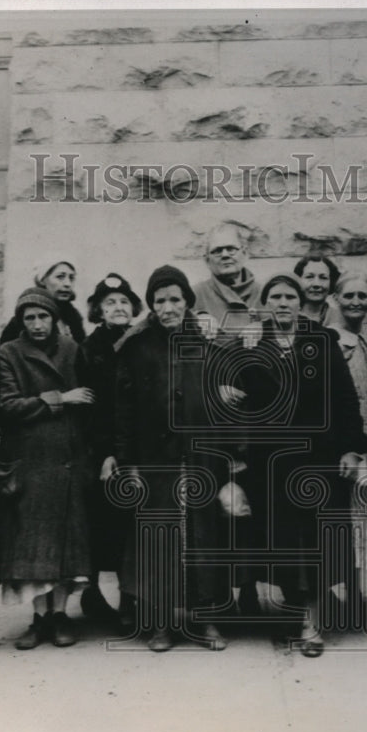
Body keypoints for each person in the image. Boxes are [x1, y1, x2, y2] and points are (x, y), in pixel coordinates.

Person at [231, 274, 367, 656]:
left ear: (300, 301)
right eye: (274, 296)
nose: (282, 302)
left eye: (289, 296)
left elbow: (345, 398)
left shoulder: (322, 341)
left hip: (321, 459)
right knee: (284, 542)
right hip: (271, 463)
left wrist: (351, 450)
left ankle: (310, 623)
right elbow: (233, 394)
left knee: (317, 541)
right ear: (265, 304)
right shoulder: (251, 346)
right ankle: (294, 614)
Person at [114, 265, 230, 652]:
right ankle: (161, 623)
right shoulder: (136, 348)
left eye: (174, 299)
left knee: (204, 539)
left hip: (201, 459)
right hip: (155, 460)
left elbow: (228, 403)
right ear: (150, 305)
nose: (167, 307)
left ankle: (207, 620)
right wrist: (127, 460)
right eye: (159, 301)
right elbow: (124, 409)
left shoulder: (210, 345)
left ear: (187, 303)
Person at [0, 287, 95, 649]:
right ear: (21, 322)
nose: (37, 324)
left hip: (68, 460)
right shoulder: (9, 353)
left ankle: (60, 616)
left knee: (67, 547)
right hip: (31, 463)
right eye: (29, 318)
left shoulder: (72, 350)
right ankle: (38, 620)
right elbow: (7, 405)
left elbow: (89, 402)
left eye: (43, 317)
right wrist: (59, 399)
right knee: (33, 551)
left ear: (54, 318)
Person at [79, 272, 144, 629]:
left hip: (139, 448)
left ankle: (133, 598)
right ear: (98, 311)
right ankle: (111, 600)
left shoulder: (142, 342)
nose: (118, 308)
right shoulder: (90, 350)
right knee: (110, 526)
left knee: (135, 525)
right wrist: (106, 452)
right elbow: (92, 407)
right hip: (105, 453)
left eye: (123, 302)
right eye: (110, 303)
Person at [330, 272, 367, 610]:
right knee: (351, 516)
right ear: (337, 299)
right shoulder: (331, 340)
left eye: (362, 296)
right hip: (347, 437)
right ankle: (350, 595)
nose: (355, 302)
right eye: (348, 296)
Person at [192, 223, 262, 334]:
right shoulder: (195, 295)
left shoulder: (265, 293)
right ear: (207, 260)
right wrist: (195, 320)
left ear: (245, 253)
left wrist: (263, 327)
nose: (225, 255)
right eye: (217, 251)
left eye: (231, 249)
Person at [0, 259, 86, 345]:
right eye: (60, 277)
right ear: (42, 280)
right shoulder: (22, 320)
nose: (68, 284)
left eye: (71, 278)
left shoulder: (74, 318)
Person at [293, 255, 341, 326]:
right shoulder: (290, 316)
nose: (316, 284)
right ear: (298, 280)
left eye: (323, 278)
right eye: (309, 277)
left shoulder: (341, 318)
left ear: (331, 282)